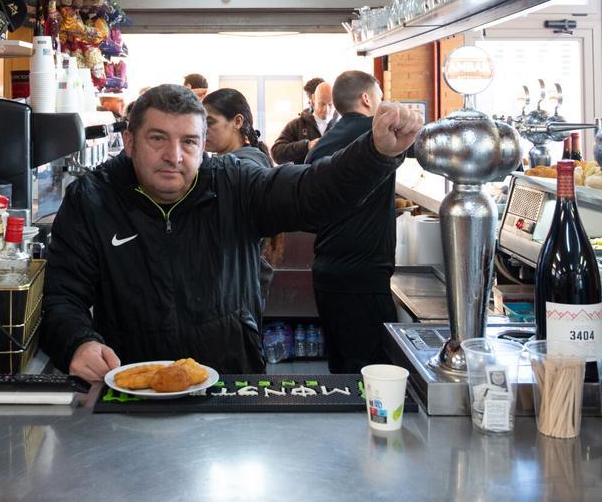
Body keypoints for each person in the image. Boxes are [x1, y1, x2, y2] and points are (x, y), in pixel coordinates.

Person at [41, 84, 423, 382]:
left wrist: (375, 153)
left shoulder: (234, 184)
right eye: (157, 138)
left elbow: (310, 192)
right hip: (131, 382)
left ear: (203, 144)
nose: (174, 155)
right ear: (129, 142)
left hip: (231, 382)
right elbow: (62, 296)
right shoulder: (93, 199)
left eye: (189, 141)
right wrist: (78, 342)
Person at [307, 70, 404, 373]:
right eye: (379, 96)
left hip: (327, 273)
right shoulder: (378, 137)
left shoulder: (323, 143)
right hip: (363, 279)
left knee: (342, 370)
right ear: (366, 98)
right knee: (373, 374)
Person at [202, 88, 280, 314]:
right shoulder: (231, 162)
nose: (203, 131)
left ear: (237, 122)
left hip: (236, 291)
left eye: (210, 123)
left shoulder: (244, 167)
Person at [271, 81, 337, 165]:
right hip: (305, 173)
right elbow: (276, 153)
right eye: (322, 104)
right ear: (313, 99)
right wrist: (306, 146)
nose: (326, 110)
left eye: (330, 105)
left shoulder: (342, 125)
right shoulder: (296, 125)